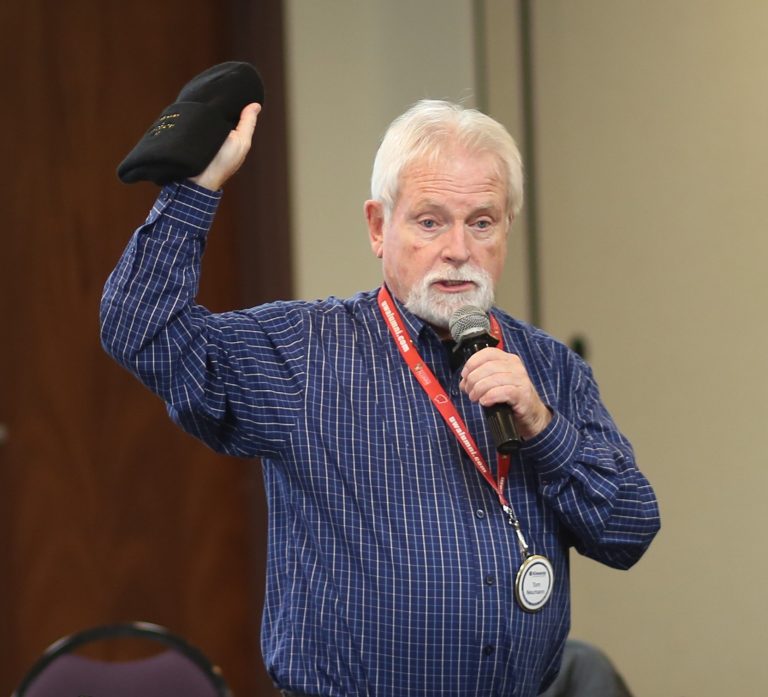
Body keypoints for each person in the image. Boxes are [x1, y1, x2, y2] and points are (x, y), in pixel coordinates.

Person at [100, 98, 660, 697]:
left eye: (481, 222)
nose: (458, 250)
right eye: (430, 222)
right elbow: (140, 328)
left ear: (506, 229)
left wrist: (543, 428)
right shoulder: (305, 351)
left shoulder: (549, 369)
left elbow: (628, 532)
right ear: (377, 227)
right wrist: (195, 190)